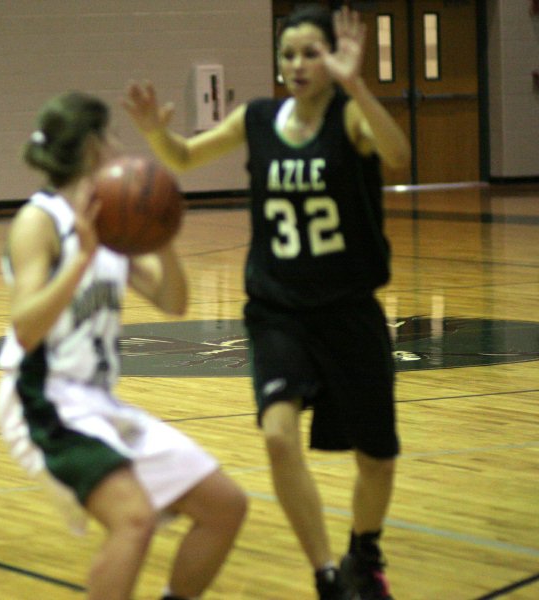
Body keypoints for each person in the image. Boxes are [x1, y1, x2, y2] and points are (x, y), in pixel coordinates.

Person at [123, 5, 410, 600]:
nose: (299, 65)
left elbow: (401, 156)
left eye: (312, 53)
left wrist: (358, 84)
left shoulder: (351, 118)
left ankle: (365, 551)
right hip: (279, 310)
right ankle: (327, 574)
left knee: (376, 460)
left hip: (349, 309)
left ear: (332, 59)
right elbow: (183, 157)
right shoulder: (257, 119)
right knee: (279, 437)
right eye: (289, 54)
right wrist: (155, 131)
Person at [0, 91, 247, 600]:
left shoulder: (112, 218)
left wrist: (163, 231)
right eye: (111, 135)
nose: (119, 145)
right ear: (91, 147)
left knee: (224, 507)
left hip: (97, 402)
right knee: (134, 519)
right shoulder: (38, 222)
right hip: (42, 400)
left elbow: (173, 301)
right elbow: (24, 326)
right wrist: (82, 259)